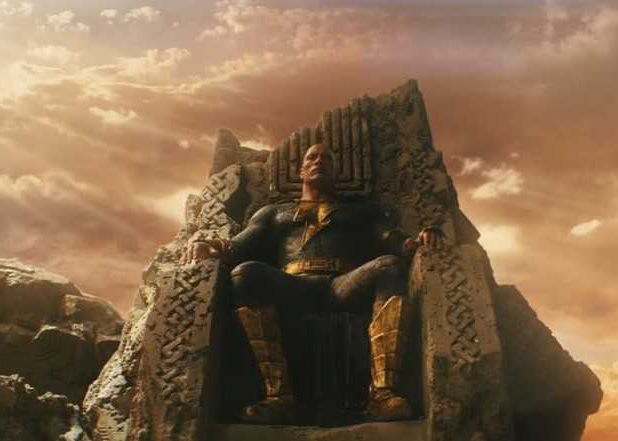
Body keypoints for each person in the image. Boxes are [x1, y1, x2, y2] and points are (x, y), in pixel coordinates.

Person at [185, 143, 442, 424]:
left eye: (327, 159)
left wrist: (415, 241)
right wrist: (210, 245)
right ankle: (278, 397)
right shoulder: (274, 213)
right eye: (312, 157)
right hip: (293, 285)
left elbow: (389, 238)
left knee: (389, 267)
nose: (319, 161)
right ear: (301, 171)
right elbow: (240, 244)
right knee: (246, 274)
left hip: (343, 284)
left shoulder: (361, 211)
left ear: (336, 172)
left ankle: (381, 394)